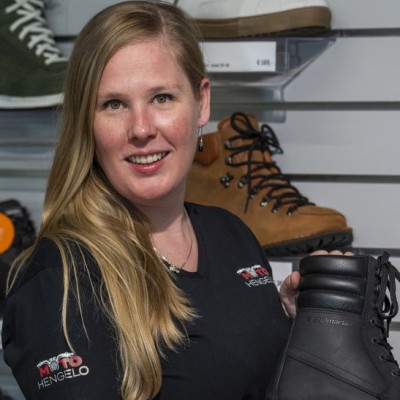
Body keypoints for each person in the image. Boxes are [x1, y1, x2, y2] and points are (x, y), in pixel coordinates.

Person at [1, 2, 348, 399]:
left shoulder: (229, 232)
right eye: (114, 104)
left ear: (201, 102)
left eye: (162, 98)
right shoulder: (58, 282)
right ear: (86, 121)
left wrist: (292, 324)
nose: (142, 128)